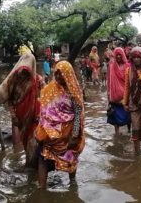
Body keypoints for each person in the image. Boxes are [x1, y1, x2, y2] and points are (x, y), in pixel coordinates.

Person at [35, 61, 85, 189]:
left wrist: (75, 134)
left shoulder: (73, 91)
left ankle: (73, 184)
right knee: (43, 158)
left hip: (67, 134)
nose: (57, 77)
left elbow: (78, 113)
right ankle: (41, 189)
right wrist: (40, 130)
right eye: (56, 73)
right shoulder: (48, 89)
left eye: (61, 74)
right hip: (49, 134)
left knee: (70, 158)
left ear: (67, 74)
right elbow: (44, 112)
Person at [0, 51, 43, 166]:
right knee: (26, 143)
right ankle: (30, 165)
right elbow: (9, 100)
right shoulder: (13, 80)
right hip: (21, 119)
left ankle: (32, 167)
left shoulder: (38, 79)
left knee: (34, 143)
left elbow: (45, 97)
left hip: (35, 118)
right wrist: (13, 116)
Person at [106, 47, 131, 136]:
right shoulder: (112, 66)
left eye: (120, 54)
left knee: (128, 114)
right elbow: (109, 80)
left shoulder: (128, 66)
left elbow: (130, 81)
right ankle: (117, 133)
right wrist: (108, 94)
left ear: (123, 55)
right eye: (117, 55)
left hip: (125, 95)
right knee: (115, 114)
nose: (119, 57)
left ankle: (129, 130)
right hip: (115, 96)